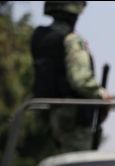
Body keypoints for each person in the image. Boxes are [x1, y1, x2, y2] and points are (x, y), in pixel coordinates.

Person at [31, 1, 110, 152]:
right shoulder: (72, 39)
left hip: (50, 116)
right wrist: (102, 96)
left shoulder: (40, 37)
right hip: (74, 117)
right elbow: (80, 80)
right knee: (79, 163)